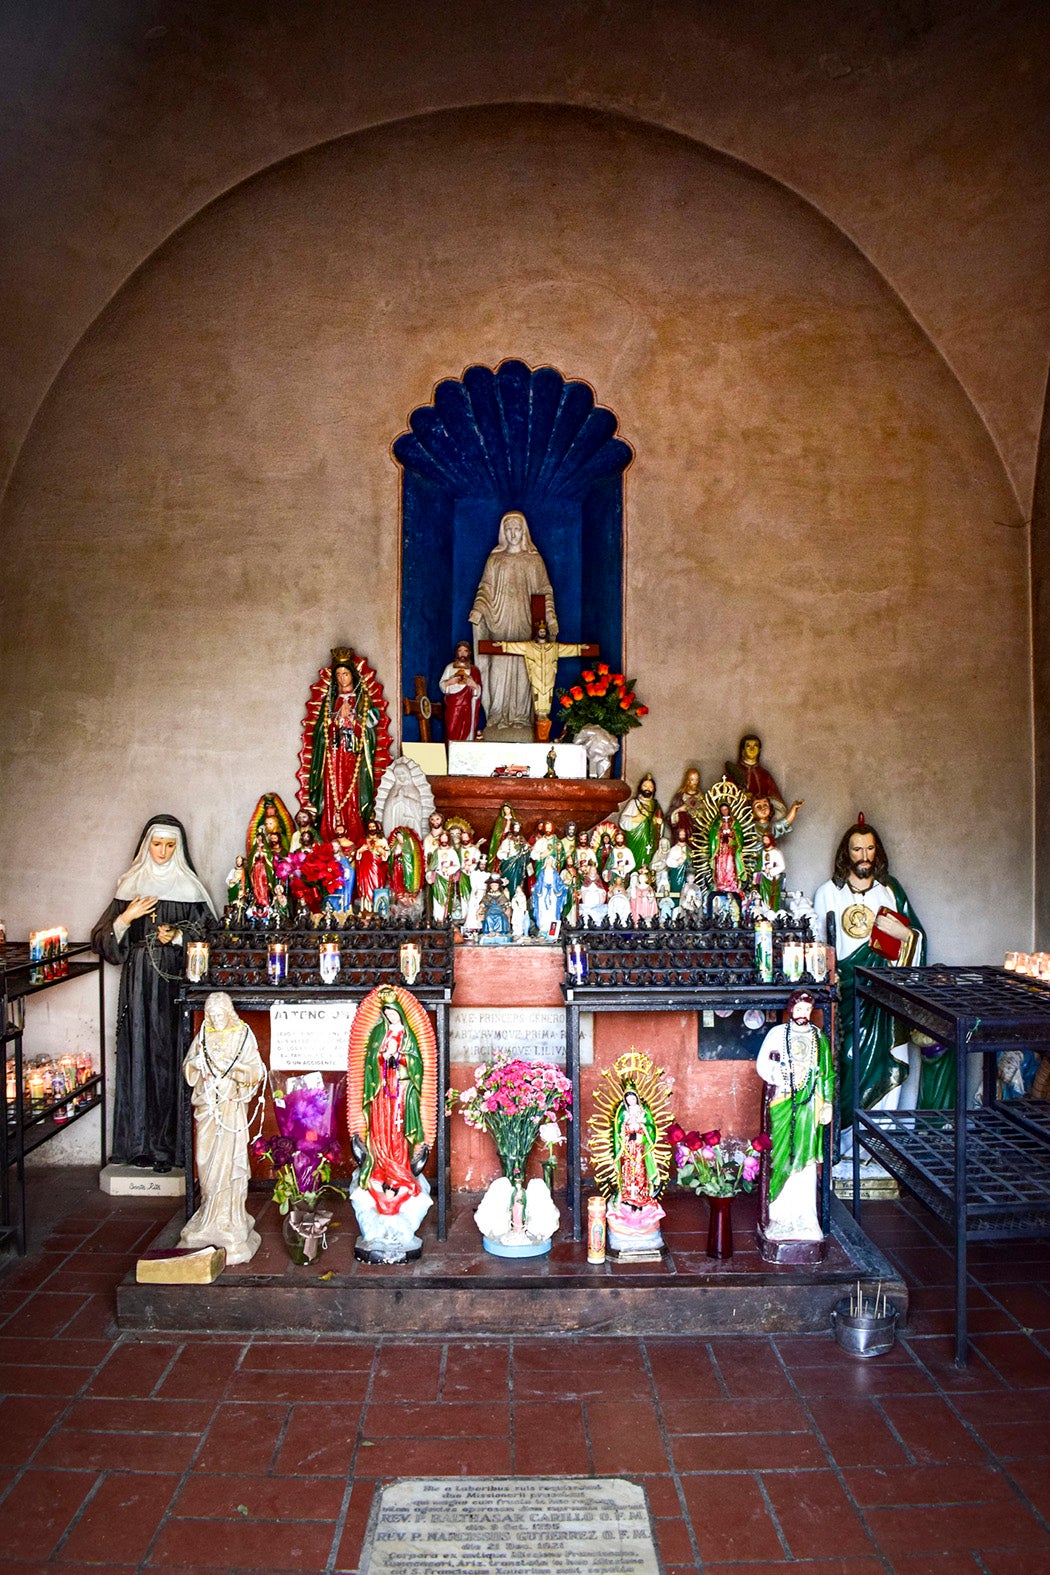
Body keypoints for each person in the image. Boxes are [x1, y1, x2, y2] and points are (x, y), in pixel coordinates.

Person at [91, 816, 215, 1172]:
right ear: (147, 845)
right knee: (139, 1054)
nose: (163, 852)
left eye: (170, 846)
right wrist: (126, 917)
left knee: (172, 1057)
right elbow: (102, 939)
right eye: (157, 845)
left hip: (176, 984)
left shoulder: (190, 889)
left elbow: (210, 936)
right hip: (139, 985)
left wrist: (176, 938)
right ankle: (139, 1145)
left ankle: (171, 1147)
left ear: (179, 848)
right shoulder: (130, 885)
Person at [813, 817, 926, 1141]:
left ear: (877, 852)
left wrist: (904, 934)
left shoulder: (891, 890)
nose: (864, 855)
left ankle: (880, 1145)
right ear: (845, 854)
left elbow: (917, 937)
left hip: (884, 997)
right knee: (845, 1059)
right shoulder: (827, 893)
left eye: (869, 848)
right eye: (857, 849)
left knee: (889, 1060)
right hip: (846, 995)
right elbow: (821, 948)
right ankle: (846, 1143)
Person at [179, 992, 265, 1265]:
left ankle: (230, 1217)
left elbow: (256, 1071)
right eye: (211, 1015)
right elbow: (189, 1067)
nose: (215, 1020)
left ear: (228, 1013)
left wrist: (237, 1071)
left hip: (230, 1109)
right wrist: (198, 1067)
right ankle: (209, 1214)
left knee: (229, 1164)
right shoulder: (204, 1035)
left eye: (219, 1015)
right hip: (208, 1107)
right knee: (206, 1165)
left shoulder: (242, 1035)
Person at [468, 511, 558, 734]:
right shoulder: (495, 560)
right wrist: (479, 609)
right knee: (498, 668)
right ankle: (497, 716)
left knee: (524, 669)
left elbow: (545, 591)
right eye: (508, 529)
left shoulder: (534, 560)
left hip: (526, 625)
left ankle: (520, 718)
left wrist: (551, 618)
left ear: (524, 531)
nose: (513, 533)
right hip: (499, 623)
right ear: (503, 532)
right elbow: (485, 589)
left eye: (517, 529)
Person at [755, 990, 834, 1242]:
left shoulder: (818, 1038)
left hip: (810, 1106)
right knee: (781, 1156)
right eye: (798, 1010)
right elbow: (762, 1065)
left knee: (807, 1161)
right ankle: (779, 1215)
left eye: (807, 1011)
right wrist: (783, 1074)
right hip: (783, 1103)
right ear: (791, 1009)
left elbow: (827, 1074)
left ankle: (805, 1217)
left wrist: (827, 1104)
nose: (802, 1015)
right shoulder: (777, 1034)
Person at [307, 648, 383, 843]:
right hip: (333, 755)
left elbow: (373, 724)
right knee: (333, 792)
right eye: (338, 675)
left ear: (353, 675)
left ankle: (354, 831)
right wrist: (334, 720)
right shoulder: (329, 702)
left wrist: (354, 718)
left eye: (346, 674)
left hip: (353, 754)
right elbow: (319, 732)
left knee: (353, 793)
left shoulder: (363, 700)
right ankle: (331, 832)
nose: (342, 678)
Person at [484, 621, 596, 739]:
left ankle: (545, 717)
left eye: (543, 631)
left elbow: (567, 649)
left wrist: (579, 648)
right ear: (537, 633)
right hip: (536, 678)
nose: (542, 633)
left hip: (548, 678)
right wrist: (503, 645)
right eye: (540, 631)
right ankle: (540, 716)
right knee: (537, 695)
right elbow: (516, 646)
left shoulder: (553, 647)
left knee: (547, 696)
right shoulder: (529, 647)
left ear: (546, 633)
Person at [438, 641, 483, 742]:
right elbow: (442, 685)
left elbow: (479, 691)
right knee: (452, 731)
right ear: (456, 653)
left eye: (465, 651)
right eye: (460, 651)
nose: (462, 653)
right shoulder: (450, 667)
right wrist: (449, 682)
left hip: (468, 707)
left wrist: (473, 685)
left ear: (469, 653)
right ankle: (451, 754)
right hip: (453, 706)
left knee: (467, 732)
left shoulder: (474, 670)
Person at [618, 773, 664, 869]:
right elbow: (623, 821)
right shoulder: (634, 803)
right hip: (636, 839)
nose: (647, 788)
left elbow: (659, 825)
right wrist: (636, 819)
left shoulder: (655, 805)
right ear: (640, 788)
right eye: (645, 786)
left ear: (654, 789)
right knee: (634, 860)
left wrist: (659, 822)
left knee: (649, 861)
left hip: (650, 840)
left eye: (650, 787)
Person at [709, 801, 746, 895]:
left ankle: (731, 884)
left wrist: (732, 834)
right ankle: (721, 884)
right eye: (722, 810)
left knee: (730, 865)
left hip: (730, 849)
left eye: (726, 809)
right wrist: (719, 832)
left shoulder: (734, 822)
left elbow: (740, 835)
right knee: (721, 866)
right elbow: (712, 835)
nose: (724, 811)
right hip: (720, 849)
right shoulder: (717, 822)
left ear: (729, 810)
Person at [531, 856, 567, 936]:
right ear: (545, 862)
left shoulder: (555, 873)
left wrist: (563, 887)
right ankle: (543, 928)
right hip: (543, 893)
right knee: (543, 909)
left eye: (551, 861)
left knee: (552, 909)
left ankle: (552, 930)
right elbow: (539, 883)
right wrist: (536, 889)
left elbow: (558, 883)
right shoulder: (542, 872)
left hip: (552, 893)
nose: (549, 862)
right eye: (548, 861)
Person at [667, 766, 703, 839]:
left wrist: (703, 807)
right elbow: (670, 816)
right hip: (684, 833)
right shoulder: (680, 796)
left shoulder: (701, 796)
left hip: (699, 833)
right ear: (687, 780)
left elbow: (708, 814)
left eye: (697, 779)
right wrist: (679, 810)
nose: (695, 782)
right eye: (692, 780)